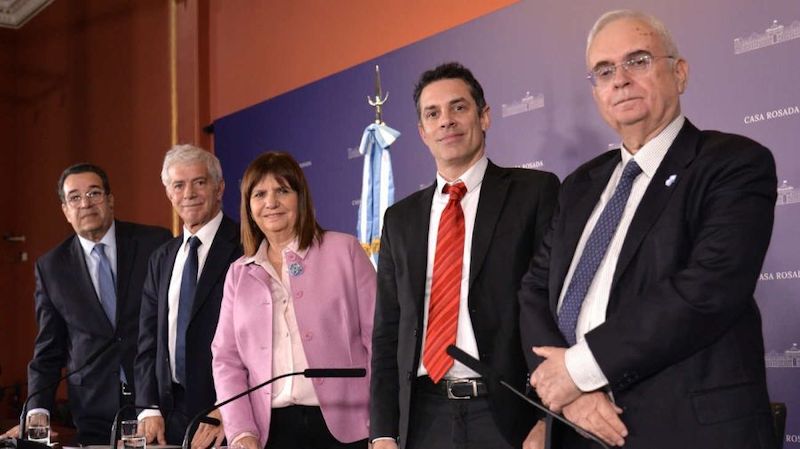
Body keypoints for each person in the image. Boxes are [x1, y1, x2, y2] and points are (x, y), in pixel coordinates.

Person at [519, 9, 778, 449]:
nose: (620, 80)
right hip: (578, 427)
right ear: (596, 91)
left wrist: (578, 370)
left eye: (637, 61)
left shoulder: (733, 163)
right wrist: (567, 392)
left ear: (679, 73)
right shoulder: (580, 184)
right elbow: (535, 290)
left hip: (685, 430)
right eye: (604, 71)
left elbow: (707, 289)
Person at [370, 62, 560, 449]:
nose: (446, 121)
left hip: (509, 415)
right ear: (422, 132)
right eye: (433, 114)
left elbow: (554, 308)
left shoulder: (533, 193)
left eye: (458, 107)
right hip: (424, 417)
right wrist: (383, 431)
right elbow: (388, 330)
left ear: (484, 116)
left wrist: (548, 417)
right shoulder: (399, 219)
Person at [211, 151, 375, 449]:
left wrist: (383, 423)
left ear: (301, 197)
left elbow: (378, 339)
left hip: (349, 428)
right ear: (248, 206)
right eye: (259, 194)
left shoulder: (345, 251)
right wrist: (241, 431)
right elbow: (226, 359)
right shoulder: (238, 273)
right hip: (270, 433)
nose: (271, 202)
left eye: (282, 191)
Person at [1, 164, 171, 445]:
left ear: (110, 200)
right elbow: (48, 348)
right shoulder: (52, 267)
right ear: (65, 210)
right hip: (93, 409)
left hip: (158, 401)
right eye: (75, 197)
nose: (85, 203)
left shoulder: (155, 243)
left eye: (94, 193)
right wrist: (37, 411)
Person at [135, 145, 242, 448]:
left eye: (199, 182)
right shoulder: (161, 258)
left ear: (219, 188)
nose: (189, 193)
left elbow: (260, 343)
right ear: (169, 193)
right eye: (179, 185)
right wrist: (149, 407)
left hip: (226, 413)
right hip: (169, 417)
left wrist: (230, 407)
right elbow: (147, 342)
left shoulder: (246, 246)